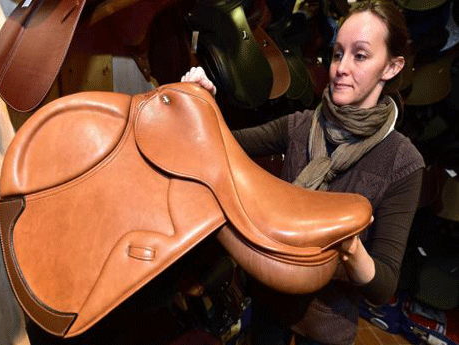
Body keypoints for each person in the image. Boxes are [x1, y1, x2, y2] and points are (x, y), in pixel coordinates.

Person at [181, 1, 425, 344]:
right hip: (268, 303)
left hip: (326, 327)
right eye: (338, 53)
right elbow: (222, 145)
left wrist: (350, 248)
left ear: (391, 66)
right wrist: (203, 101)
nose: (340, 68)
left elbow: (383, 285)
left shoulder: (403, 162)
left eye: (360, 56)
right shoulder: (300, 125)